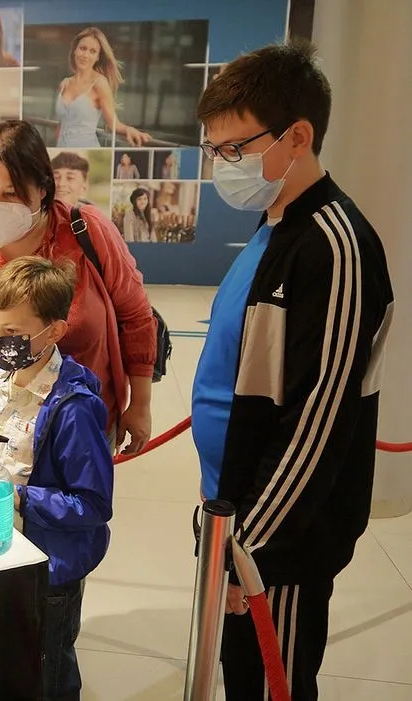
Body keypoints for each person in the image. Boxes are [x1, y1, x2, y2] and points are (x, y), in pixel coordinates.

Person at [192, 40, 394, 700]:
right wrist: (218, 520)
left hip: (276, 546)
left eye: (235, 149)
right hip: (233, 514)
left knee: (270, 684)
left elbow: (317, 423)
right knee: (240, 674)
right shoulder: (274, 226)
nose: (224, 166)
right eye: (216, 150)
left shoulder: (333, 246)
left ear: (298, 137)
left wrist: (247, 548)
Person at [0, 120, 157, 459]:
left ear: (43, 188)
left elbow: (136, 317)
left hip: (82, 433)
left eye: (12, 194)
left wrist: (140, 404)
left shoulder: (87, 233)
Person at [0, 256, 114, 701]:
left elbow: (94, 505)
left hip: (52, 568)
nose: (0, 342)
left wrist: (20, 497)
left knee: (48, 665)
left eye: (14, 332)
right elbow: (2, 453)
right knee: (10, 653)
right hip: (5, 547)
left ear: (55, 331)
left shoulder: (73, 409)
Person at [55, 26, 150, 148]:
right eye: (82, 48)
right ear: (75, 50)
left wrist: (129, 129)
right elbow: (61, 125)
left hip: (87, 152)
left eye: (92, 51)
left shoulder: (99, 83)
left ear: (97, 57)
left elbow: (113, 124)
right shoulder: (64, 84)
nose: (85, 55)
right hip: (61, 152)